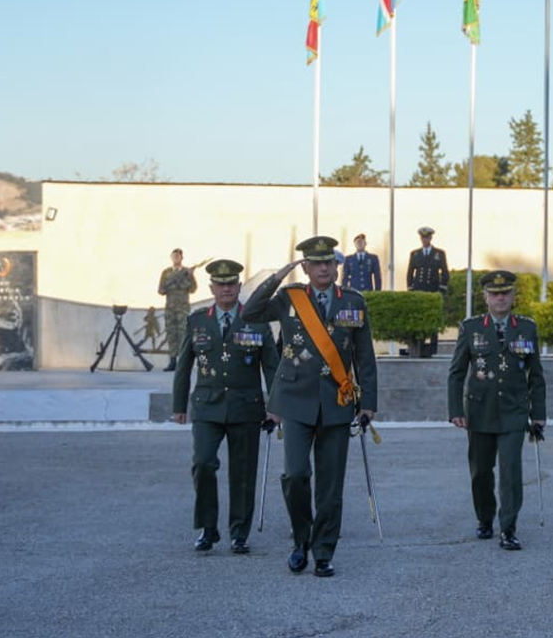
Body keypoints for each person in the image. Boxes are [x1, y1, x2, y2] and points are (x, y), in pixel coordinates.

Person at [242, 236, 378, 578]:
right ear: (305, 266)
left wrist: (368, 404)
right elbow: (250, 312)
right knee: (296, 475)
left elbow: (364, 357)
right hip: (295, 400)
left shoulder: (353, 301)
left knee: (330, 485)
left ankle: (323, 551)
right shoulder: (290, 298)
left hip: (337, 401)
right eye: (316, 263)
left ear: (336, 266)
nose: (323, 269)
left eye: (329, 263)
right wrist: (277, 277)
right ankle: (300, 540)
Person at [171, 259, 280, 554]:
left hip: (246, 407)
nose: (226, 289)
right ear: (211, 288)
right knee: (203, 463)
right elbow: (184, 366)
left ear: (239, 286)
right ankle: (208, 528)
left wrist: (276, 405)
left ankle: (239, 533)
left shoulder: (256, 319)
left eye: (231, 283)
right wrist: (179, 404)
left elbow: (271, 366)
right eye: (221, 284)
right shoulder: (198, 321)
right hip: (208, 406)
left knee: (243, 472)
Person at [447, 270, 547, 550]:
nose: (500, 298)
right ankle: (485, 518)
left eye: (505, 293)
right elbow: (456, 373)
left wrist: (538, 413)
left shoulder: (526, 328)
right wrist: (456, 409)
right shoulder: (471, 327)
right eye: (494, 293)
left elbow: (535, 375)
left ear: (514, 296)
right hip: (480, 412)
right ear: (485, 297)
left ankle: (508, 527)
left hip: (514, 411)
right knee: (481, 472)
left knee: (510, 469)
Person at [407, 227, 449, 357]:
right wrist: (411, 289)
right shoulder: (415, 254)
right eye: (423, 238)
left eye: (427, 237)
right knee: (419, 320)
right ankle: (419, 347)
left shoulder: (439, 253)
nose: (425, 240)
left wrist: (441, 289)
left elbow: (445, 272)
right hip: (419, 291)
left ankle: (433, 349)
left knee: (433, 321)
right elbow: (410, 272)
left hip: (433, 291)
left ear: (431, 238)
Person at [158, 249, 199, 372]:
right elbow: (161, 290)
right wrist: (172, 281)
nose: (175, 258)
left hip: (183, 309)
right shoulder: (166, 273)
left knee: (183, 334)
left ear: (182, 258)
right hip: (170, 308)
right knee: (171, 334)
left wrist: (191, 275)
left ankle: (183, 362)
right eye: (173, 256)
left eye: (178, 256)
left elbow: (193, 289)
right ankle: (172, 361)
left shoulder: (187, 272)